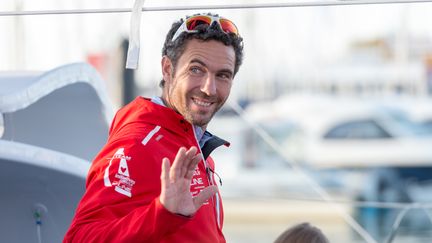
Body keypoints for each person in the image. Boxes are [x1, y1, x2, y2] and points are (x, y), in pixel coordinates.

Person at [63, 12, 243, 243]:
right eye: (196, 69)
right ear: (168, 69)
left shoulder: (191, 141)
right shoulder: (137, 143)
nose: (210, 88)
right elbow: (80, 238)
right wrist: (163, 213)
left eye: (223, 75)